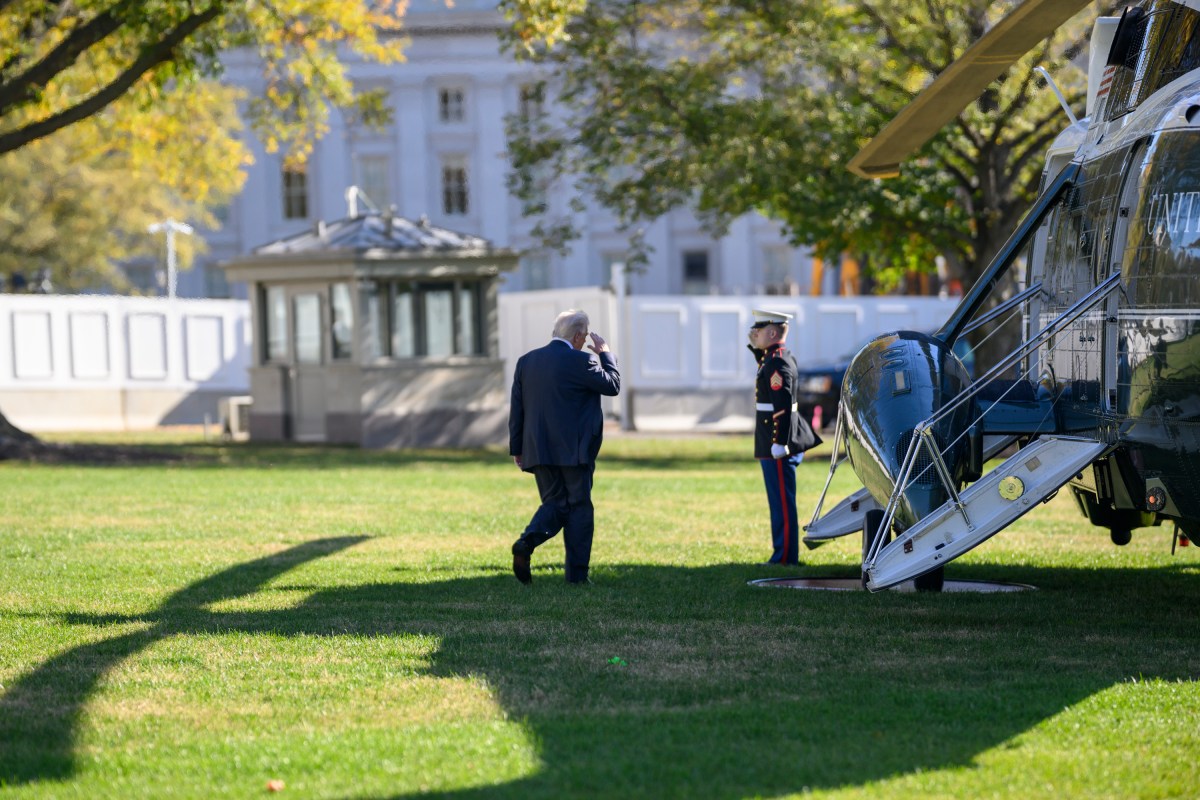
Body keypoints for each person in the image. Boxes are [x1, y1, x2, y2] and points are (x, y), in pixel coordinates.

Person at [509, 309, 621, 584]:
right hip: (574, 450)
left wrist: (517, 448)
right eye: (584, 337)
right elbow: (612, 385)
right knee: (579, 508)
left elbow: (517, 409)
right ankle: (577, 577)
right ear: (579, 335)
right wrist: (605, 354)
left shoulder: (527, 361)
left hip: (537, 449)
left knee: (556, 504)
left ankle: (526, 542)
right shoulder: (583, 361)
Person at [747, 309, 822, 565]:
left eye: (758, 330)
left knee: (782, 503)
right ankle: (782, 553)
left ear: (771, 332)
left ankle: (786, 557)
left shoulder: (777, 362)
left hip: (776, 441)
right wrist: (755, 345)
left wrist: (780, 442)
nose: (753, 334)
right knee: (778, 502)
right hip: (771, 440)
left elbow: (782, 403)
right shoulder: (774, 357)